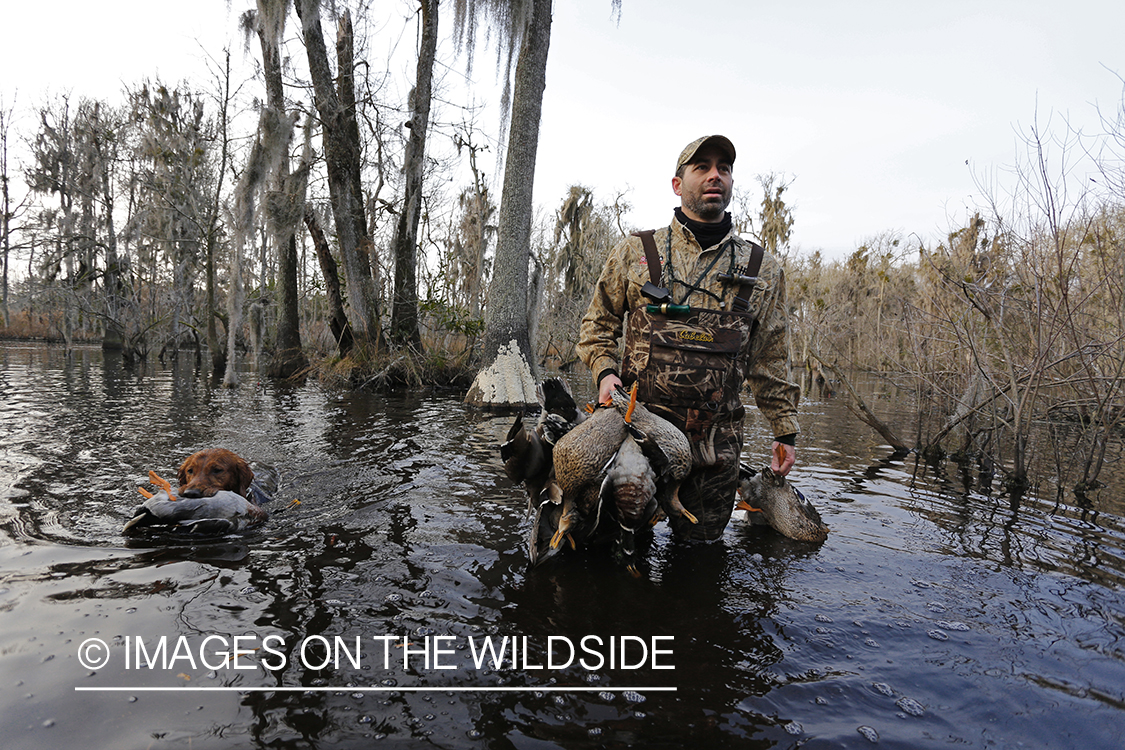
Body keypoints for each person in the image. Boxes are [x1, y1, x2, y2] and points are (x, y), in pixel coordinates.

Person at [575, 134, 801, 541]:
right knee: (623, 548)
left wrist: (784, 431)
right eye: (702, 167)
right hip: (636, 440)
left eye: (724, 168)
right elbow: (597, 325)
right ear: (678, 184)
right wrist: (605, 373)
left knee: (700, 562)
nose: (716, 175)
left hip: (715, 448)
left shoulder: (762, 268)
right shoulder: (635, 251)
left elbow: (770, 358)